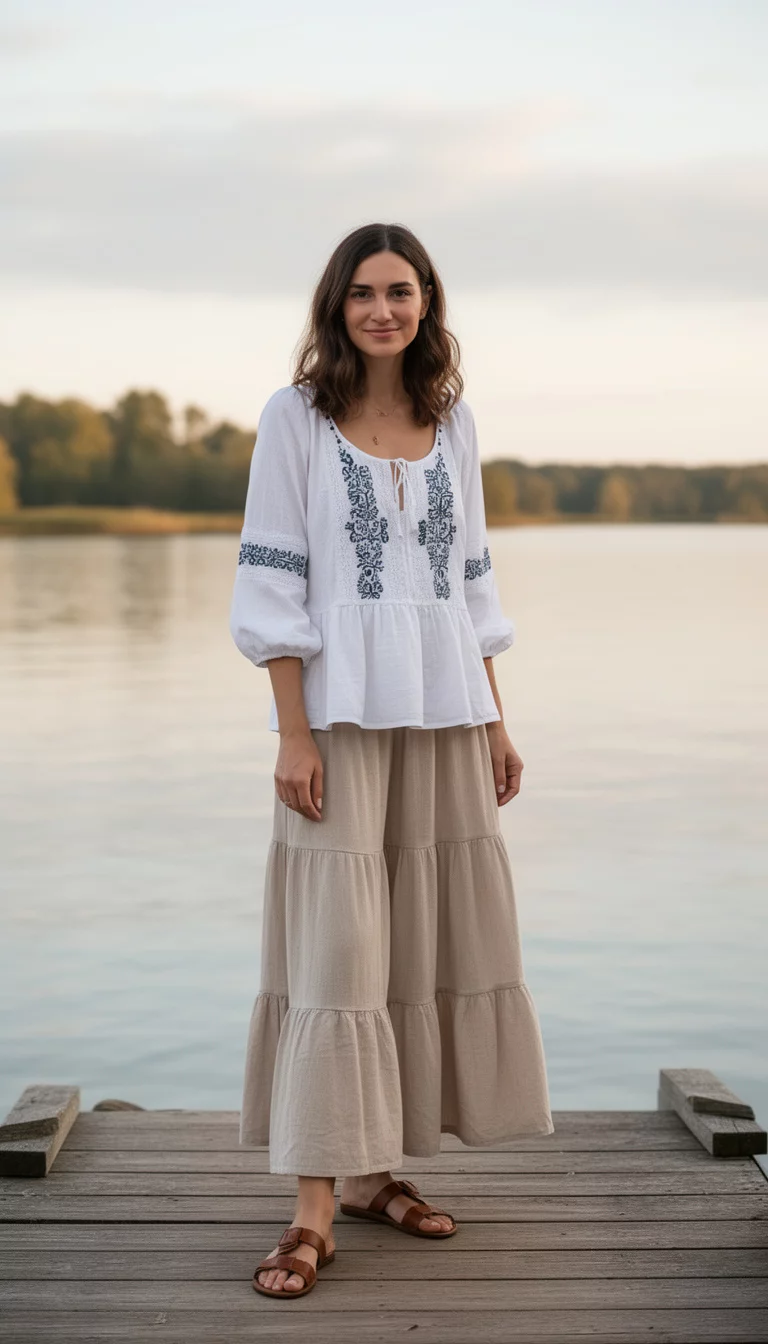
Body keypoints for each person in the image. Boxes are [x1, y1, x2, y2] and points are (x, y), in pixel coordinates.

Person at [229, 222, 554, 1300]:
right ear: (337, 305)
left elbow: (471, 590)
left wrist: (495, 720)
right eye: (364, 292)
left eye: (400, 291)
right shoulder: (296, 420)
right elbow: (271, 586)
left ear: (427, 303)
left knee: (411, 941)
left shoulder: (451, 422)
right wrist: (291, 729)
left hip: (446, 713)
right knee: (338, 951)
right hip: (340, 718)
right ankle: (312, 1206)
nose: (382, 309)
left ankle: (374, 1173)